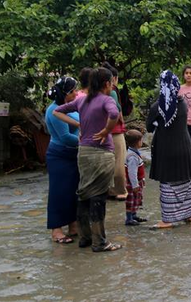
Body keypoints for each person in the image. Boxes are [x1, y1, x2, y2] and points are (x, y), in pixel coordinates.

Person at [53, 67, 122, 252]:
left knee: (84, 193)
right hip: (101, 153)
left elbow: (57, 111)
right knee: (98, 196)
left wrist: (78, 124)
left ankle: (85, 238)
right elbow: (114, 115)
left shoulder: (82, 100)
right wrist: (107, 131)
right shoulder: (106, 100)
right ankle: (100, 242)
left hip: (83, 152)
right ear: (107, 84)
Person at [147, 70, 191, 228]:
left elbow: (149, 127)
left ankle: (167, 220)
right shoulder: (182, 103)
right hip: (185, 146)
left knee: (168, 183)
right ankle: (188, 215)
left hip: (166, 149)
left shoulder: (157, 107)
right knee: (185, 180)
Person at [45, 76, 80, 244]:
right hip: (60, 155)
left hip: (74, 155)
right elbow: (65, 137)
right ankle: (56, 230)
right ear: (67, 93)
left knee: (74, 191)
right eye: (74, 90)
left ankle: (73, 225)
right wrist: (87, 140)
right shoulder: (54, 111)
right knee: (59, 192)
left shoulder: (69, 107)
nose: (77, 93)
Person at [101, 62, 127, 201]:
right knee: (119, 160)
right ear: (114, 78)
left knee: (107, 162)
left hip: (101, 130)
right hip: (115, 130)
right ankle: (120, 190)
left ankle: (107, 190)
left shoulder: (94, 92)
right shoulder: (112, 91)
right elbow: (116, 111)